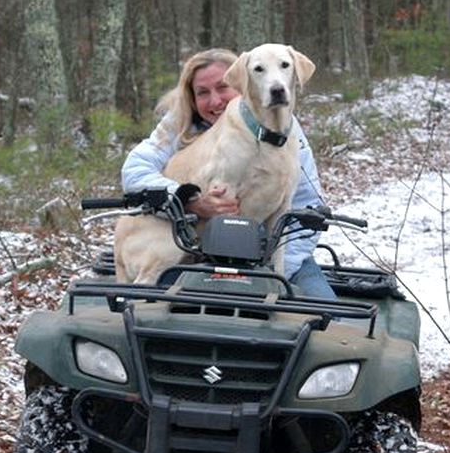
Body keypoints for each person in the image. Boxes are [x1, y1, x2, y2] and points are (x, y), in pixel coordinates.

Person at [121, 47, 338, 299]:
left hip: (280, 255)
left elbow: (306, 205)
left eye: (223, 87)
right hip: (194, 249)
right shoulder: (177, 124)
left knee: (330, 319)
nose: (215, 101)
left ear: (241, 86)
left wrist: (273, 276)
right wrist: (188, 199)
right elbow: (134, 172)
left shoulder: (287, 132)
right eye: (202, 92)